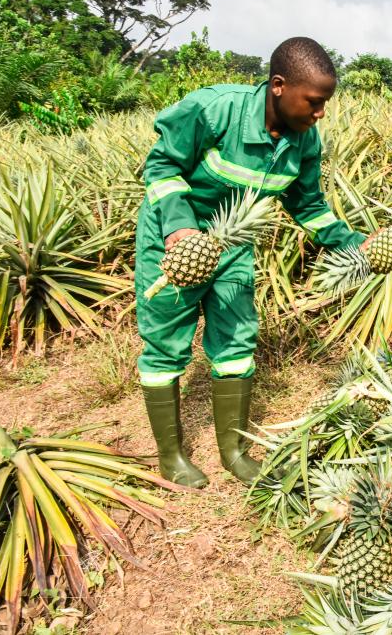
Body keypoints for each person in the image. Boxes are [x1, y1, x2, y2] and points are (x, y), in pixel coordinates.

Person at [134, 37, 365, 488]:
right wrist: (181, 230)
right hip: (172, 236)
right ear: (279, 85)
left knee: (237, 340)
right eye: (314, 103)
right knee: (166, 344)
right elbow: (161, 167)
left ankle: (234, 452)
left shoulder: (304, 140)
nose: (320, 114)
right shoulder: (214, 109)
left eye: (325, 105)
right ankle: (171, 456)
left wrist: (356, 244)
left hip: (233, 243)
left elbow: (309, 206)